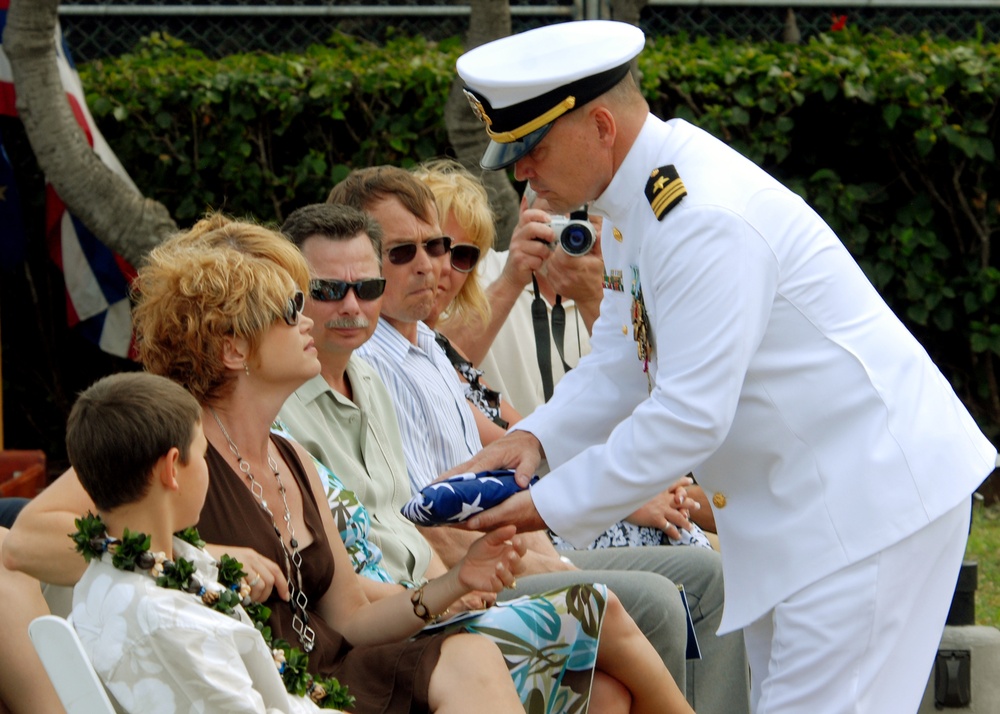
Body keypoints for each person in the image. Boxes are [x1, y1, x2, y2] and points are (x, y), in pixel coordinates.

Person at [453, 19, 999, 714]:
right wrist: (533, 442)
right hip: (807, 503)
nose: (521, 170)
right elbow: (624, 358)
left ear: (600, 125)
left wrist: (544, 505)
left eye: (532, 147)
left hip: (861, 505)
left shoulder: (697, 217)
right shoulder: (640, 199)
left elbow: (688, 416)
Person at [327, 165, 750, 714]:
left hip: (520, 540)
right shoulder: (371, 357)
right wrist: (555, 553)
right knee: (661, 599)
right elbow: (423, 518)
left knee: (708, 572)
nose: (435, 267)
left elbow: (522, 441)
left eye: (447, 250)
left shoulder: (429, 346)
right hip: (462, 572)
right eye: (403, 253)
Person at [276, 202, 662, 712]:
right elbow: (345, 581)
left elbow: (412, 509)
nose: (351, 305)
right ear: (291, 299)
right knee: (624, 605)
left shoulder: (372, 375)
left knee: (606, 694)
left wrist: (450, 586)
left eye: (365, 288)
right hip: (394, 618)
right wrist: (446, 590)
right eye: (329, 291)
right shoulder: (284, 412)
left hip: (442, 588)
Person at [64, 371, 330, 712]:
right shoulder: (170, 622)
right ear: (172, 469)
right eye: (203, 455)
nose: (208, 468)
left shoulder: (109, 573)